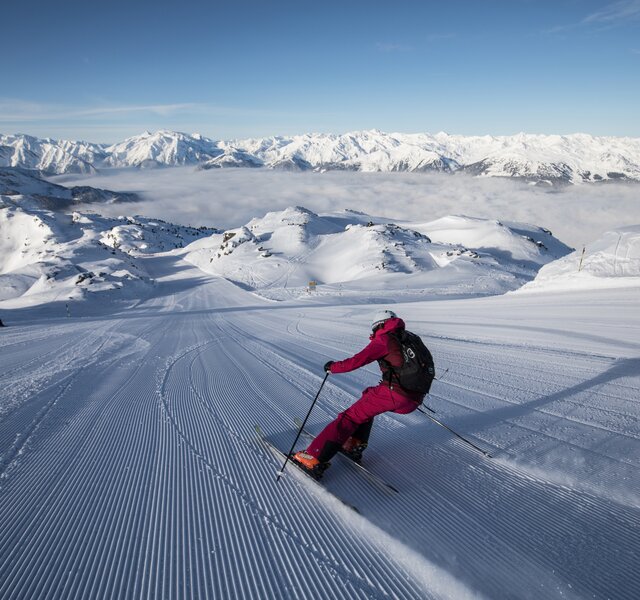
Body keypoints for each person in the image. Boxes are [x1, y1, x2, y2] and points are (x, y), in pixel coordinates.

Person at [292, 309, 426, 475]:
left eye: (374, 330)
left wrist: (333, 367)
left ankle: (312, 458)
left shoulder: (384, 339)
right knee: (369, 396)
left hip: (395, 394)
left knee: (349, 417)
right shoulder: (410, 338)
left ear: (379, 325)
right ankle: (354, 443)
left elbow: (357, 360)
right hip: (414, 397)